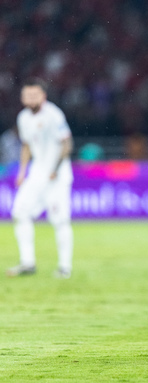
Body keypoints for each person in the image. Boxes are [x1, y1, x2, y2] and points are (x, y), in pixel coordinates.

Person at [7, 78, 74, 278]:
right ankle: (28, 263)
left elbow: (67, 144)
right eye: (27, 95)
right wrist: (22, 172)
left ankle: (64, 267)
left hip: (57, 175)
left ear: (43, 96)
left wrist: (55, 168)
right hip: (37, 173)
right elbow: (26, 145)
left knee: (60, 220)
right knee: (20, 212)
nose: (30, 98)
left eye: (35, 95)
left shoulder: (53, 114)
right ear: (22, 97)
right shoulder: (23, 118)